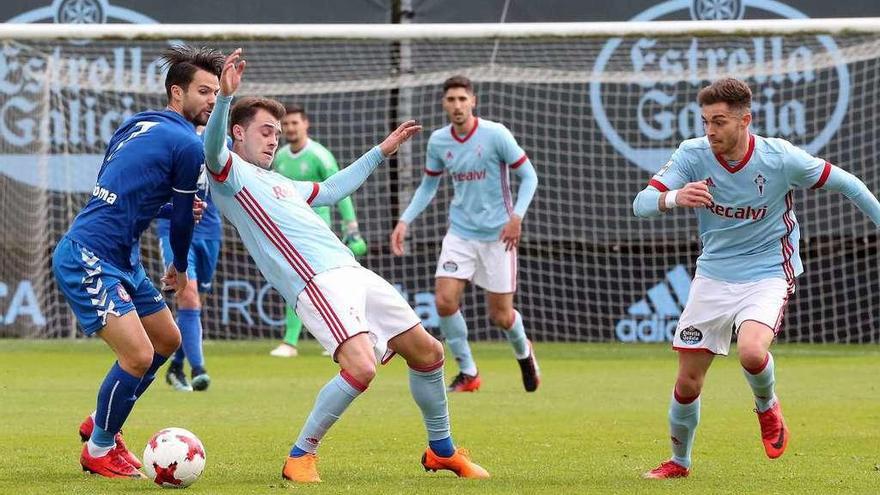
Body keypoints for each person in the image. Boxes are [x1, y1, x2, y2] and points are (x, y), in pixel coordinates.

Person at [204, 49, 489, 482]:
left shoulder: (280, 181)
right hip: (316, 282)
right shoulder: (230, 176)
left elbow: (334, 189)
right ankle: (300, 456)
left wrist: (381, 151)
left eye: (277, 133)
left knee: (429, 353)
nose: (273, 138)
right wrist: (224, 99)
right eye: (265, 131)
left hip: (354, 273)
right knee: (360, 367)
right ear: (237, 133)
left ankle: (442, 451)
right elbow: (211, 148)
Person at [633, 77, 880, 479]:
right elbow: (641, 204)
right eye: (705, 122)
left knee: (751, 351)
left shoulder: (781, 158)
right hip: (713, 274)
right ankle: (679, 462)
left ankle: (767, 406)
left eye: (720, 121)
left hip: (768, 270)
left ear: (745, 120)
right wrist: (675, 197)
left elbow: (850, 185)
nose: (710, 131)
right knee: (688, 383)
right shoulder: (692, 155)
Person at [52, 45, 224, 478]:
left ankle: (101, 420)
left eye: (216, 93)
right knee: (137, 356)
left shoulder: (137, 122)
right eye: (203, 91)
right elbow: (182, 218)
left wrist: (168, 209)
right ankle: (99, 448)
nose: (210, 101)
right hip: (89, 256)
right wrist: (180, 266)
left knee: (167, 341)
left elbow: (123, 194)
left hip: (122, 259)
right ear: (176, 92)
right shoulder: (188, 144)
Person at [390, 75, 540, 393]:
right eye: (451, 100)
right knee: (444, 301)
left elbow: (529, 176)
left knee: (501, 316)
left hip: (499, 235)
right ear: (444, 104)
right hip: (460, 233)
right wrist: (405, 220)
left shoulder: (495, 134)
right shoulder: (439, 141)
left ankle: (524, 353)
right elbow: (429, 184)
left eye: (462, 99)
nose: (457, 105)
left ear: (473, 101)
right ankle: (468, 372)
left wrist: (517, 217)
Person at [269, 105, 367, 358]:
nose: (290, 128)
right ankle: (304, 341)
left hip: (317, 231)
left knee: (317, 284)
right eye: (286, 124)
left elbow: (339, 191)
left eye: (295, 123)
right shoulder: (279, 157)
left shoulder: (320, 156)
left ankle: (308, 341)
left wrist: (352, 228)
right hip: (289, 230)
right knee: (297, 283)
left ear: (306, 124)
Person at [156, 159, 221, 391]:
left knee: (195, 303)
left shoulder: (222, 139)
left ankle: (176, 365)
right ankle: (198, 369)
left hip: (210, 229)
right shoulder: (173, 135)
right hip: (173, 228)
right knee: (188, 296)